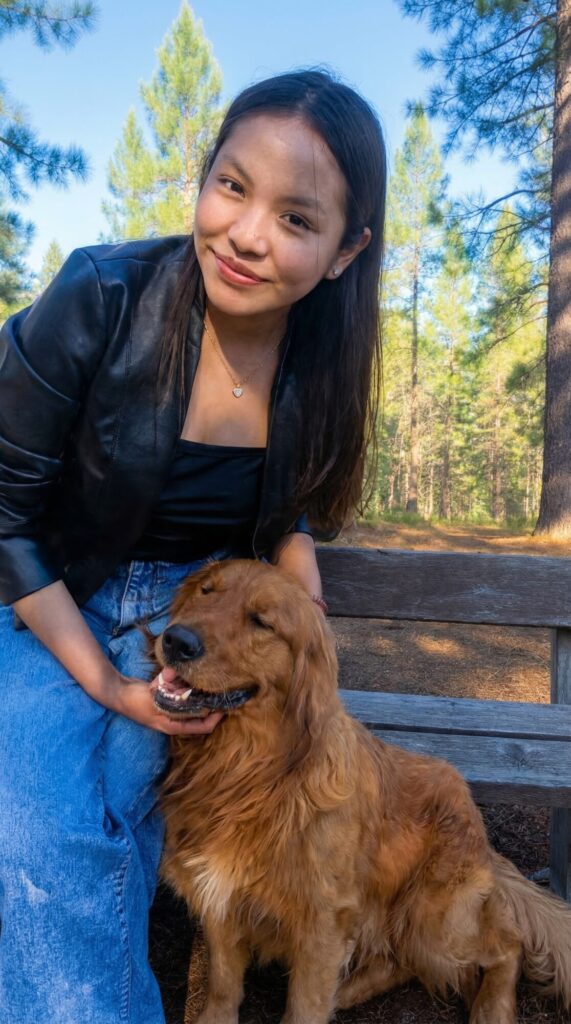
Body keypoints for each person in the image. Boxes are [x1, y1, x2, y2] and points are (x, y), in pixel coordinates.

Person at [0, 69, 386, 1023]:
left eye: (296, 219)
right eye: (231, 186)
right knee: (37, 824)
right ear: (204, 177)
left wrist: (296, 559)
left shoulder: (323, 362)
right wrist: (105, 683)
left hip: (193, 610)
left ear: (346, 250)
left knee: (122, 794)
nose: (246, 235)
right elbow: (5, 519)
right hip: (53, 592)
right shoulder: (100, 295)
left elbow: (287, 504)